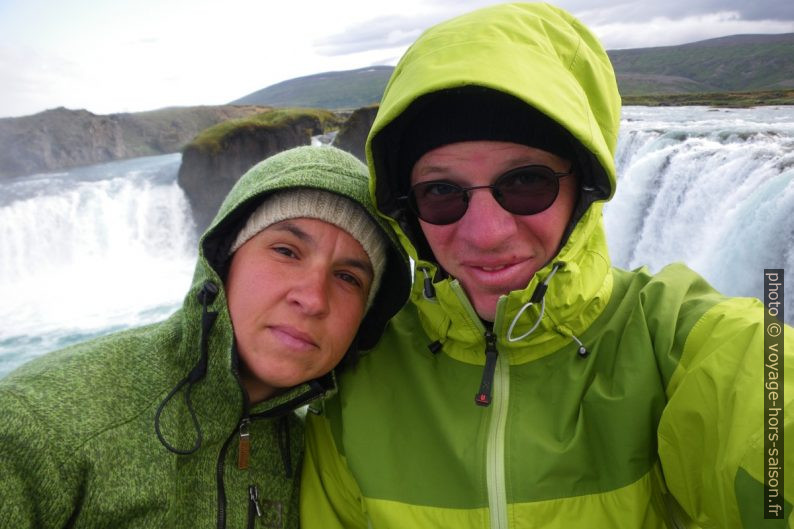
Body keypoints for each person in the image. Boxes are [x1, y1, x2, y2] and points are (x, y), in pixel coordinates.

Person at [300, 3, 793, 528]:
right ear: (408, 210)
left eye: (525, 182)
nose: (486, 234)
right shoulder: (355, 374)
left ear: (583, 189)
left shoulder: (677, 343)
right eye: (441, 191)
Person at [0, 145, 410, 529]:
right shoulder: (34, 427)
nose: (313, 298)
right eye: (286, 251)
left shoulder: (327, 456)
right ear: (223, 263)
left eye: (347, 277)